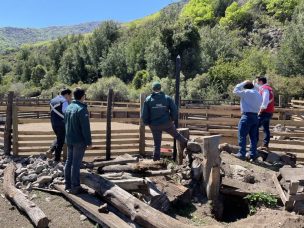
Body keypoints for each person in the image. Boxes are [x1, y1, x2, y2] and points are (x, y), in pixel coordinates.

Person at [141, 82, 188, 161]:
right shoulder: (167, 98)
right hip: (167, 123)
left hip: (154, 125)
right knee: (177, 135)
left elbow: (144, 114)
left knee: (157, 144)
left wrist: (147, 123)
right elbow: (174, 110)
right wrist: (172, 119)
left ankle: (156, 161)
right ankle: (189, 144)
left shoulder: (148, 99)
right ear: (160, 88)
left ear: (153, 89)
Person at [64, 88, 92, 194]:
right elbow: (85, 128)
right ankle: (75, 186)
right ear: (83, 96)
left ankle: (67, 184)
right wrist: (89, 142)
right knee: (76, 163)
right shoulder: (82, 109)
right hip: (79, 140)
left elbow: (65, 124)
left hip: (69, 139)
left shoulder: (69, 107)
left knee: (69, 161)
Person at [233, 80, 262, 161]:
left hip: (247, 116)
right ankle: (253, 154)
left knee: (242, 135)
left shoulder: (246, 92)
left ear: (245, 87)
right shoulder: (258, 94)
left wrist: (243, 82)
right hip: (255, 116)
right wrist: (254, 84)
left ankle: (241, 153)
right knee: (253, 137)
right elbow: (258, 88)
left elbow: (235, 90)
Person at [47, 89, 72, 162]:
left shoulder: (53, 100)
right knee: (61, 141)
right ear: (67, 94)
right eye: (70, 95)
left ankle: (51, 150)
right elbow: (66, 111)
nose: (70, 97)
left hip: (53, 123)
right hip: (62, 123)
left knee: (59, 138)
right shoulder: (64, 101)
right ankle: (56, 159)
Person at [256, 76, 275, 150]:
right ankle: (265, 145)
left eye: (257, 81)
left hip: (264, 112)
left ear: (261, 81)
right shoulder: (268, 88)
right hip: (269, 112)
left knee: (255, 127)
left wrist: (260, 111)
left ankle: (254, 144)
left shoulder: (265, 89)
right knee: (266, 129)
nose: (257, 82)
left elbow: (265, 100)